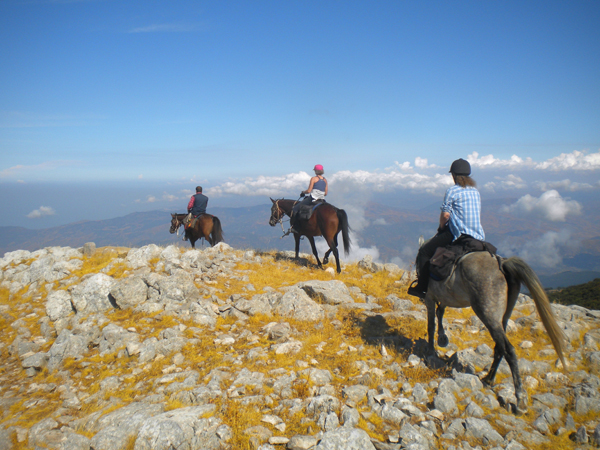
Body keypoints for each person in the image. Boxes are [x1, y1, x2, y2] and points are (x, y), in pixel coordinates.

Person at [407, 158, 485, 299]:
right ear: (468, 176)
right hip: (477, 236)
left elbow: (445, 215)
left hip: (458, 234)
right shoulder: (475, 192)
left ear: (454, 175)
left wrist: (441, 228)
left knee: (424, 251)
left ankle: (422, 289)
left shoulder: (452, 191)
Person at [289, 164, 328, 234]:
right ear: (322, 171)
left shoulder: (313, 179)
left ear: (315, 171)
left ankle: (295, 228)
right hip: (321, 199)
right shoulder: (325, 180)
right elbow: (325, 193)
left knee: (295, 208)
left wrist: (303, 192)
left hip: (313, 198)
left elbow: (309, 191)